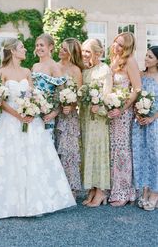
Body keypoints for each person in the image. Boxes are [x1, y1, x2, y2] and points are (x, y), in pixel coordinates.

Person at [0, 38, 76, 219]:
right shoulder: (2, 72)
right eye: (22, 48)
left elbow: (33, 95)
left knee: (33, 159)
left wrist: (33, 110)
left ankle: (36, 203)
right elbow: (0, 102)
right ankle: (10, 205)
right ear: (13, 51)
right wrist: (18, 115)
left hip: (30, 120)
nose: (26, 50)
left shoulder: (28, 71)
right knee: (11, 160)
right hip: (10, 120)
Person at [108, 32, 141, 207]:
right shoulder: (113, 61)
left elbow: (136, 90)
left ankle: (124, 191)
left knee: (122, 152)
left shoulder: (130, 62)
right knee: (113, 150)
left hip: (123, 114)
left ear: (127, 48)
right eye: (116, 43)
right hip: (111, 112)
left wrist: (121, 108)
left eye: (121, 45)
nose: (116, 47)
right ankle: (115, 188)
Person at [80, 39, 112, 207]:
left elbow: (107, 96)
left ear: (98, 53)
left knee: (99, 152)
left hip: (99, 119)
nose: (84, 54)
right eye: (83, 51)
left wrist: (98, 108)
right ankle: (91, 188)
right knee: (88, 152)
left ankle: (100, 191)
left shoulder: (104, 69)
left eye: (88, 51)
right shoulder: (85, 70)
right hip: (85, 117)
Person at [55, 38, 83, 198]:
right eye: (61, 48)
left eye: (65, 49)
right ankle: (57, 186)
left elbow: (78, 95)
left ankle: (70, 187)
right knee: (55, 148)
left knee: (69, 151)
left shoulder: (75, 70)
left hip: (69, 116)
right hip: (54, 113)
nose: (61, 51)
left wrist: (71, 106)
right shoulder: (55, 66)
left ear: (71, 53)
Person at [132, 46, 158, 211]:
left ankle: (155, 193)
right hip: (139, 122)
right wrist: (138, 113)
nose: (146, 59)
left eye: (150, 56)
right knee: (142, 155)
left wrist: (151, 118)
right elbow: (134, 96)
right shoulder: (140, 75)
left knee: (155, 157)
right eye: (146, 55)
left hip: (155, 123)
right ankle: (145, 189)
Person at [32, 33, 65, 137]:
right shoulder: (35, 66)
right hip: (32, 112)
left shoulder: (54, 66)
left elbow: (62, 92)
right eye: (37, 45)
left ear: (50, 47)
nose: (38, 48)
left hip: (47, 114)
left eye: (41, 45)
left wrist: (54, 113)